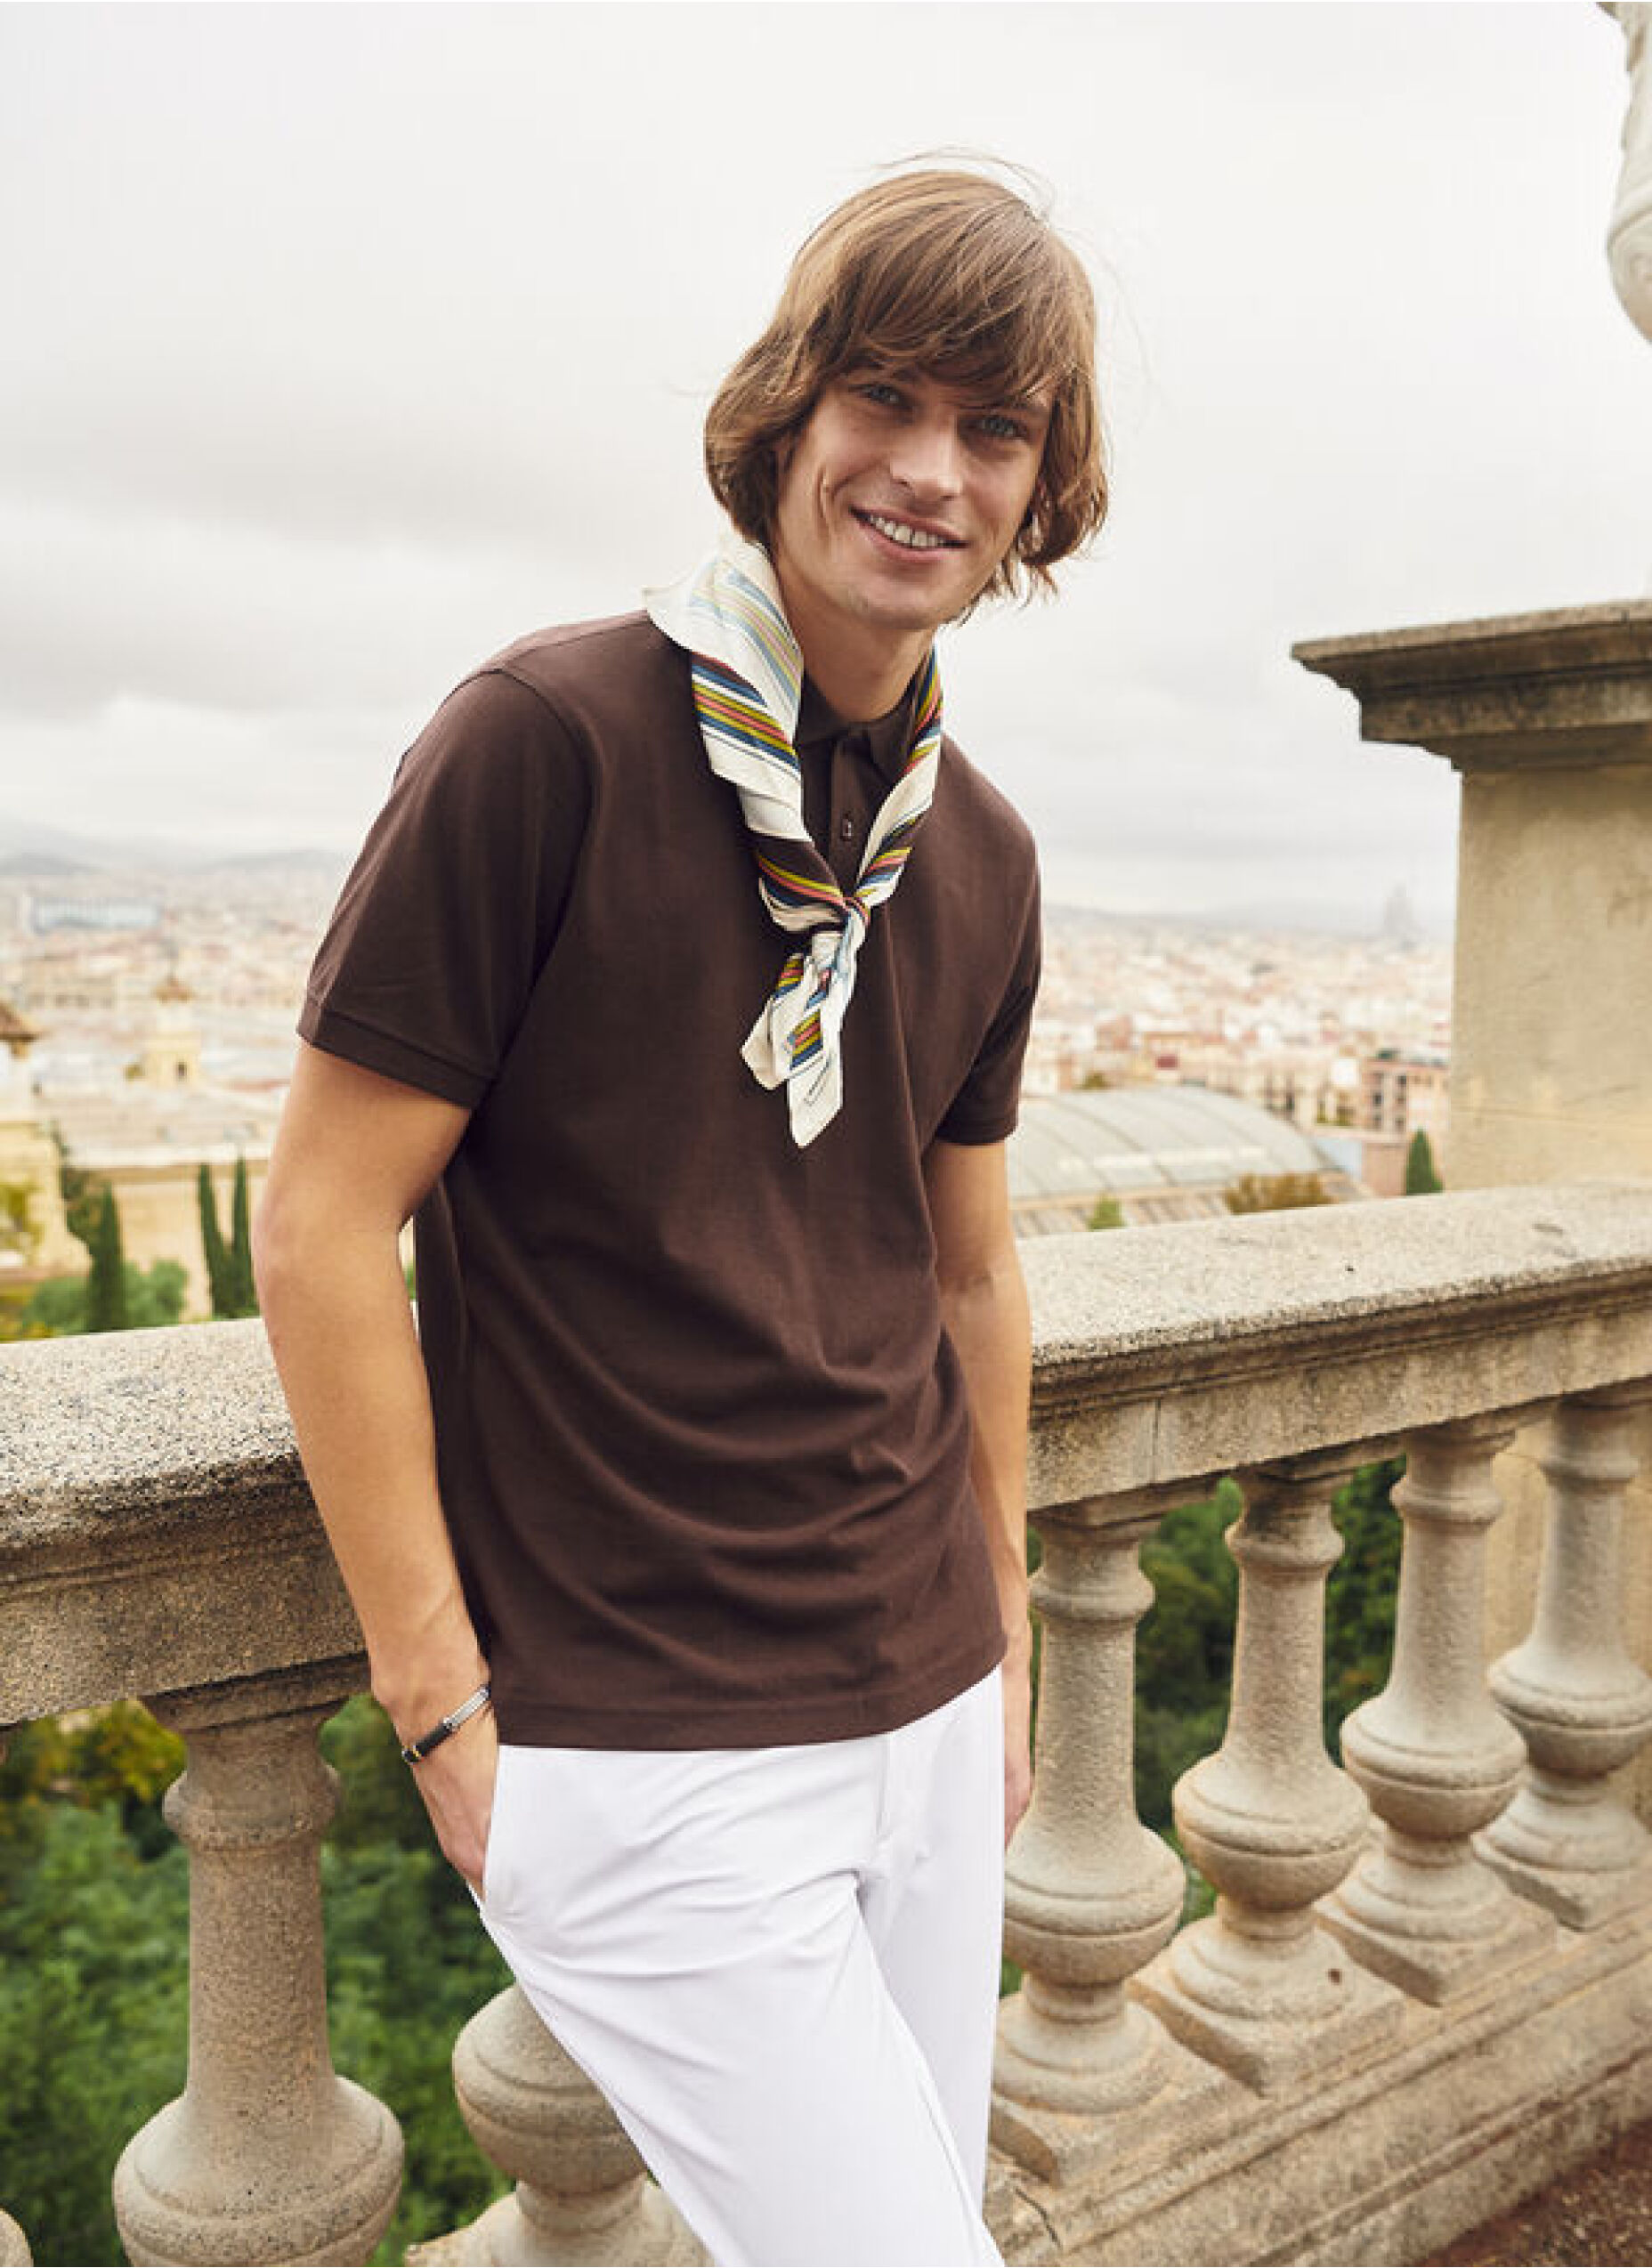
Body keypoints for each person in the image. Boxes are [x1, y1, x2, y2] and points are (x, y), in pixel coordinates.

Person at [254, 164, 1107, 2268]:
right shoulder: (545, 741)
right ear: (785, 408)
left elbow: (969, 1268)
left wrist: (1000, 1634)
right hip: (642, 1725)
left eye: (993, 429)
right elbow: (322, 1221)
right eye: (884, 398)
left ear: (1041, 487)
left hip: (926, 1692)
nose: (929, 470)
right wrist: (440, 1706)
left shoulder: (980, 849)